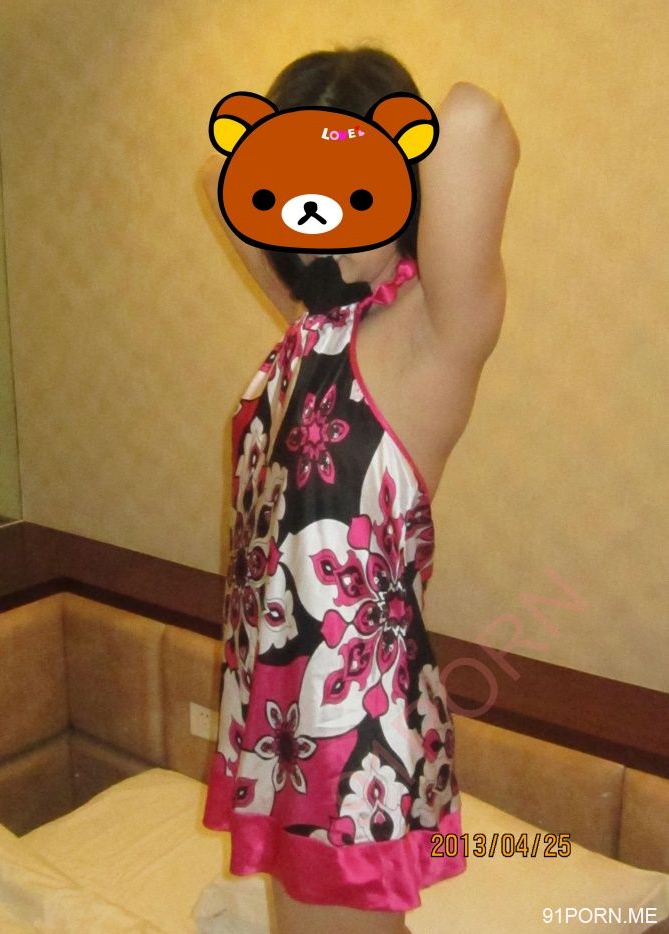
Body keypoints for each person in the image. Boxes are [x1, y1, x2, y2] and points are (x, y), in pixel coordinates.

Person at [199, 46, 520, 934]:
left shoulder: (433, 334)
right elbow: (224, 183)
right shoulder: (316, 326)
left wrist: (370, 139)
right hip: (277, 704)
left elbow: (471, 121)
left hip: (350, 728)